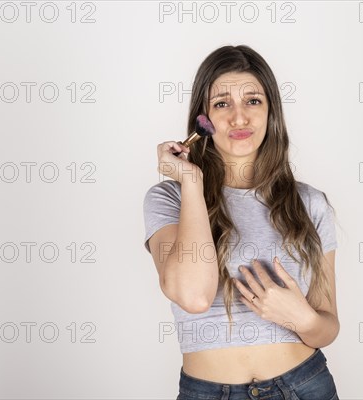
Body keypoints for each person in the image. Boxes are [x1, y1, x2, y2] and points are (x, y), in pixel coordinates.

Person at [143, 44, 340, 400]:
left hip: (304, 386)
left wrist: (302, 319)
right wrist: (191, 182)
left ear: (270, 112)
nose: (238, 118)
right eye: (222, 104)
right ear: (202, 119)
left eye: (252, 101)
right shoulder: (169, 199)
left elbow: (327, 327)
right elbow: (194, 295)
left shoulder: (310, 204)